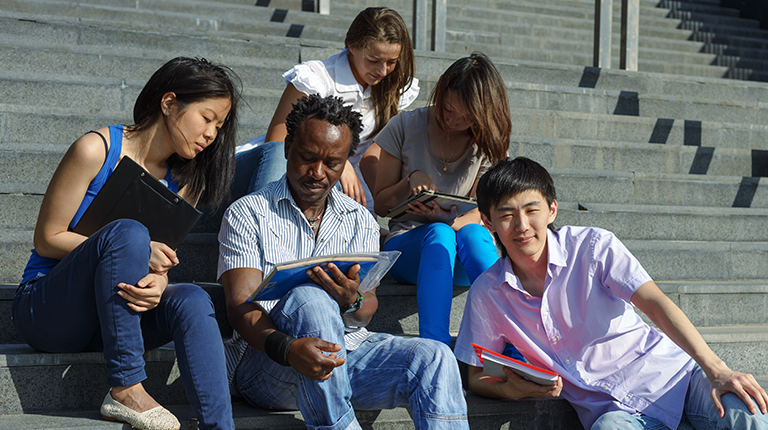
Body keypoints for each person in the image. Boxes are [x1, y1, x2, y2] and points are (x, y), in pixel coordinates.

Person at [454, 156, 768, 430]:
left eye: (531, 209)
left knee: (750, 414)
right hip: (613, 414)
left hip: (674, 379)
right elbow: (477, 374)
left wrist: (718, 370)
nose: (522, 225)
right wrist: (513, 390)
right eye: (507, 214)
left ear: (551, 210)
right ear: (488, 222)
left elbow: (655, 303)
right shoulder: (488, 293)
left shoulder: (592, 246)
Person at [13, 57, 241, 430]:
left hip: (114, 317)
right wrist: (128, 247)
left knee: (194, 299)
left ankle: (219, 426)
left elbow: (160, 261)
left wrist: (159, 283)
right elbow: (47, 238)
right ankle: (126, 388)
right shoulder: (96, 149)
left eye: (219, 125)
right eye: (207, 118)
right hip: (49, 310)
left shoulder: (186, 182)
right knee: (129, 233)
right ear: (169, 104)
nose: (212, 134)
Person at [218, 94, 468, 430]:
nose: (317, 173)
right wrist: (290, 349)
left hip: (345, 355)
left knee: (434, 357)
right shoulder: (248, 214)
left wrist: (353, 300)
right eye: (307, 157)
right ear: (288, 145)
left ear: (346, 161)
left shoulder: (360, 220)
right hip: (271, 364)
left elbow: (367, 309)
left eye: (333, 163)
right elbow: (239, 307)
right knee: (310, 298)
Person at [372, 52, 512, 346]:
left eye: (465, 117)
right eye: (447, 108)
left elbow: (489, 213)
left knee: (472, 232)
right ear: (442, 89)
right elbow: (382, 204)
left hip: (465, 251)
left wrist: (452, 219)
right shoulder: (406, 125)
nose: (451, 120)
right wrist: (410, 181)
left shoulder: (487, 142)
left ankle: (515, 342)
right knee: (439, 233)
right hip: (408, 247)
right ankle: (435, 348)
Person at [232, 6, 418, 211]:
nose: (383, 71)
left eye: (391, 62)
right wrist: (340, 162)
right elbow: (278, 142)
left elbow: (373, 158)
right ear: (352, 46)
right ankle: (265, 223)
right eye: (373, 60)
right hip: (277, 168)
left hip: (335, 182)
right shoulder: (316, 78)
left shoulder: (393, 89)